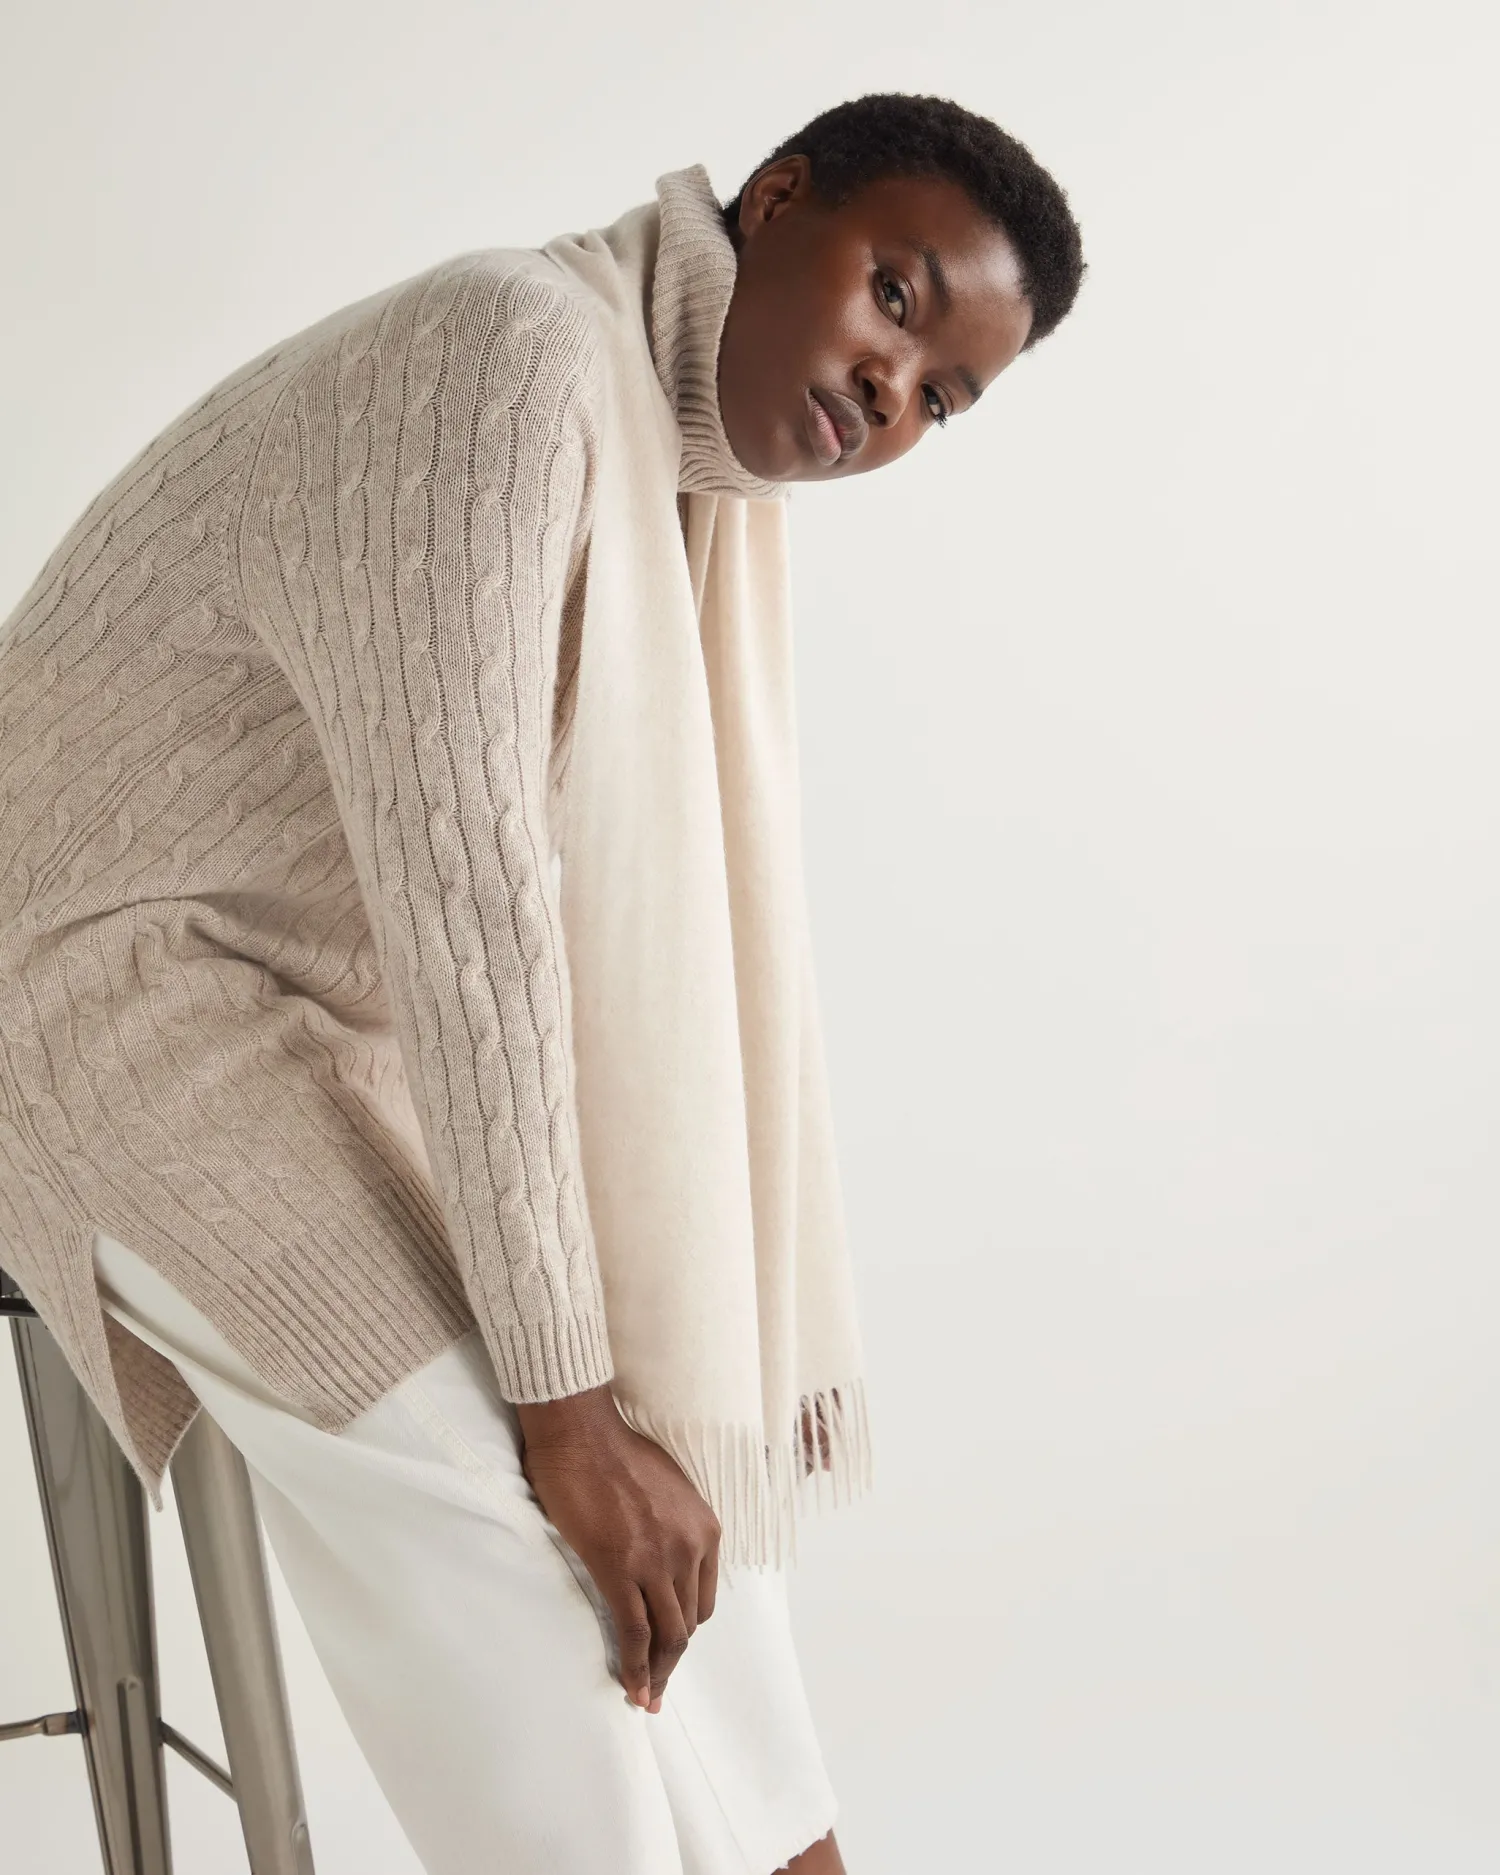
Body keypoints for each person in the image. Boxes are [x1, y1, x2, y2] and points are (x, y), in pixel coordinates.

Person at [0, 90, 1085, 1874]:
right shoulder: (508, 360)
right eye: (895, 297)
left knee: (684, 1494)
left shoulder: (682, 479)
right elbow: (470, 908)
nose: (893, 390)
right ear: (779, 199)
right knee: (525, 1529)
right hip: (90, 992)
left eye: (943, 396)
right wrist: (562, 1421)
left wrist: (601, 1402)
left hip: (311, 1024)